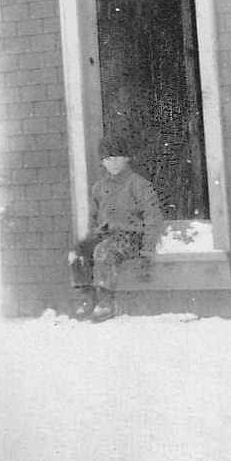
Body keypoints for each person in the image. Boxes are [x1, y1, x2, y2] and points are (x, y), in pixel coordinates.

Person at [68, 131, 163, 321]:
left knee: (104, 251)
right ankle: (87, 295)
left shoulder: (138, 185)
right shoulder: (99, 187)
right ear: (102, 162)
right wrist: (92, 237)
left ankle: (106, 301)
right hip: (106, 235)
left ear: (126, 159)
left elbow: (153, 218)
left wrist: (147, 249)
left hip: (130, 237)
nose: (112, 163)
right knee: (79, 251)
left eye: (117, 158)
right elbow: (94, 218)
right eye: (107, 159)